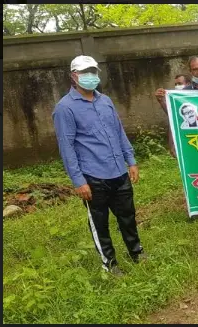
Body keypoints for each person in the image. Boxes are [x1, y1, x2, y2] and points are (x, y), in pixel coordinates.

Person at [52, 55, 146, 276]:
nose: (90, 76)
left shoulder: (105, 101)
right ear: (73, 76)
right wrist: (79, 181)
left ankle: (137, 252)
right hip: (93, 176)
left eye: (93, 72)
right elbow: (67, 147)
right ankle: (110, 263)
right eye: (85, 72)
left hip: (118, 171)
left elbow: (119, 131)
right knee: (100, 222)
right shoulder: (65, 108)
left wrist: (130, 160)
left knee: (128, 216)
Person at [154, 74, 192, 157]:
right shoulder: (175, 100)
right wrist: (161, 100)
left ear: (188, 84)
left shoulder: (195, 99)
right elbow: (172, 115)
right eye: (176, 84)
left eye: (180, 83)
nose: (177, 86)